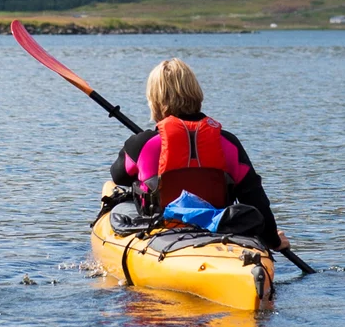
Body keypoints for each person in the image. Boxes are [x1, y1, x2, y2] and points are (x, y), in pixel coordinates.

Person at [110, 57, 290, 252]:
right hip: (217, 228)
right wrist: (273, 240)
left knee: (118, 204)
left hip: (161, 230)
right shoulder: (228, 142)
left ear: (154, 99)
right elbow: (255, 198)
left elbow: (118, 176)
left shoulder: (142, 144)